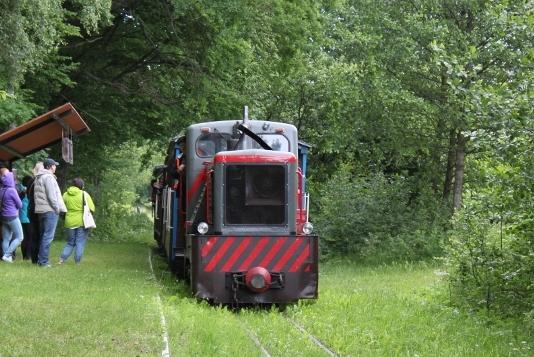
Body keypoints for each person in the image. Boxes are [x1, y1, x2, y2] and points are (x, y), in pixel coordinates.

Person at [34, 158, 67, 267]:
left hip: (41, 210)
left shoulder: (39, 177)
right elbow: (52, 196)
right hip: (50, 210)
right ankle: (43, 262)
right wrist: (57, 209)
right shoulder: (48, 177)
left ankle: (40, 260)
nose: (55, 167)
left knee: (44, 235)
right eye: (54, 165)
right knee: (48, 237)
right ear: (50, 166)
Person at [59, 178, 95, 264]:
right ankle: (77, 262)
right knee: (80, 242)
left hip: (69, 222)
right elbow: (92, 208)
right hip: (82, 222)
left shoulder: (65, 194)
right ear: (81, 186)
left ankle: (62, 259)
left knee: (70, 242)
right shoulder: (84, 194)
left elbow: (61, 207)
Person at [1, 170, 23, 263]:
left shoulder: (1, 190)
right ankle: (7, 255)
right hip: (12, 216)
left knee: (6, 238)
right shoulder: (12, 190)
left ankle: (7, 259)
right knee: (20, 237)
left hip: (3, 217)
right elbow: (20, 205)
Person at [18, 177, 33, 260]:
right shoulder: (30, 191)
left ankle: (24, 256)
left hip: (21, 218)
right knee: (30, 237)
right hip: (28, 218)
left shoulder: (20, 192)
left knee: (24, 238)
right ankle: (28, 255)